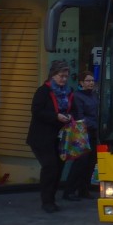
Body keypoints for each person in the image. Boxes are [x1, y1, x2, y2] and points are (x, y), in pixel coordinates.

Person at [27, 60, 75, 213]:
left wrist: (69, 117)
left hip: (59, 137)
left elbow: (72, 109)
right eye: (61, 76)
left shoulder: (68, 92)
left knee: (58, 167)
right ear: (53, 75)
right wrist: (56, 116)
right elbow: (37, 111)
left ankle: (51, 199)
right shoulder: (43, 91)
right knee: (50, 166)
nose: (64, 79)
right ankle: (46, 201)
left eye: (66, 77)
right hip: (42, 137)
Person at [63, 71, 99, 201]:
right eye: (88, 81)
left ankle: (83, 189)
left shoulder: (94, 95)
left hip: (94, 132)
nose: (90, 83)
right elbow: (79, 115)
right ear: (81, 83)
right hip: (82, 132)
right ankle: (69, 190)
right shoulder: (77, 96)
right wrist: (94, 124)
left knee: (91, 163)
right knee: (80, 163)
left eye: (92, 81)